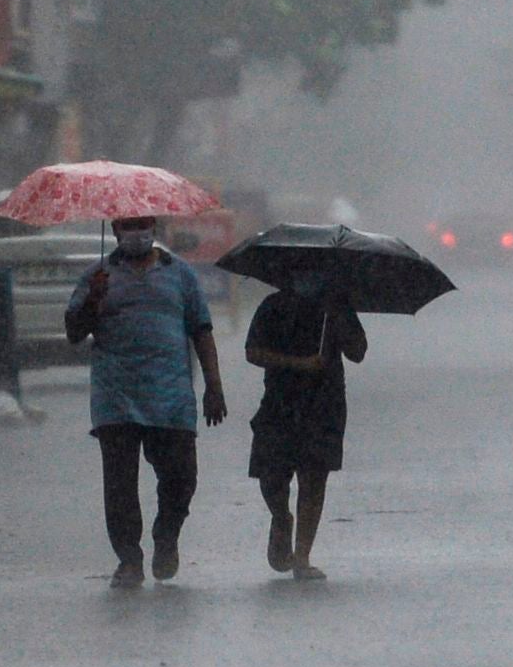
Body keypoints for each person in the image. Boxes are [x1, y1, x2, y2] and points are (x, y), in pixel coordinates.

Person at [63, 216, 226, 585]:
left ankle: (166, 535)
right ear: (116, 231)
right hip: (115, 397)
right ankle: (129, 559)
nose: (136, 232)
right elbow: (74, 331)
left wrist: (213, 387)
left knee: (182, 477)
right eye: (127, 225)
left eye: (143, 224)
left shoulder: (180, 274)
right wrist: (94, 299)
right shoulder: (96, 276)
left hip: (171, 396)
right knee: (120, 485)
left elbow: (201, 329)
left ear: (154, 227)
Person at [241, 274, 364, 579]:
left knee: (314, 479)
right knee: (271, 475)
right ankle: (281, 517)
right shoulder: (273, 306)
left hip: (324, 405)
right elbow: (253, 352)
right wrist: (298, 364)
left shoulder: (337, 308)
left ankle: (302, 556)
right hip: (279, 403)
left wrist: (338, 316)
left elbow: (358, 352)